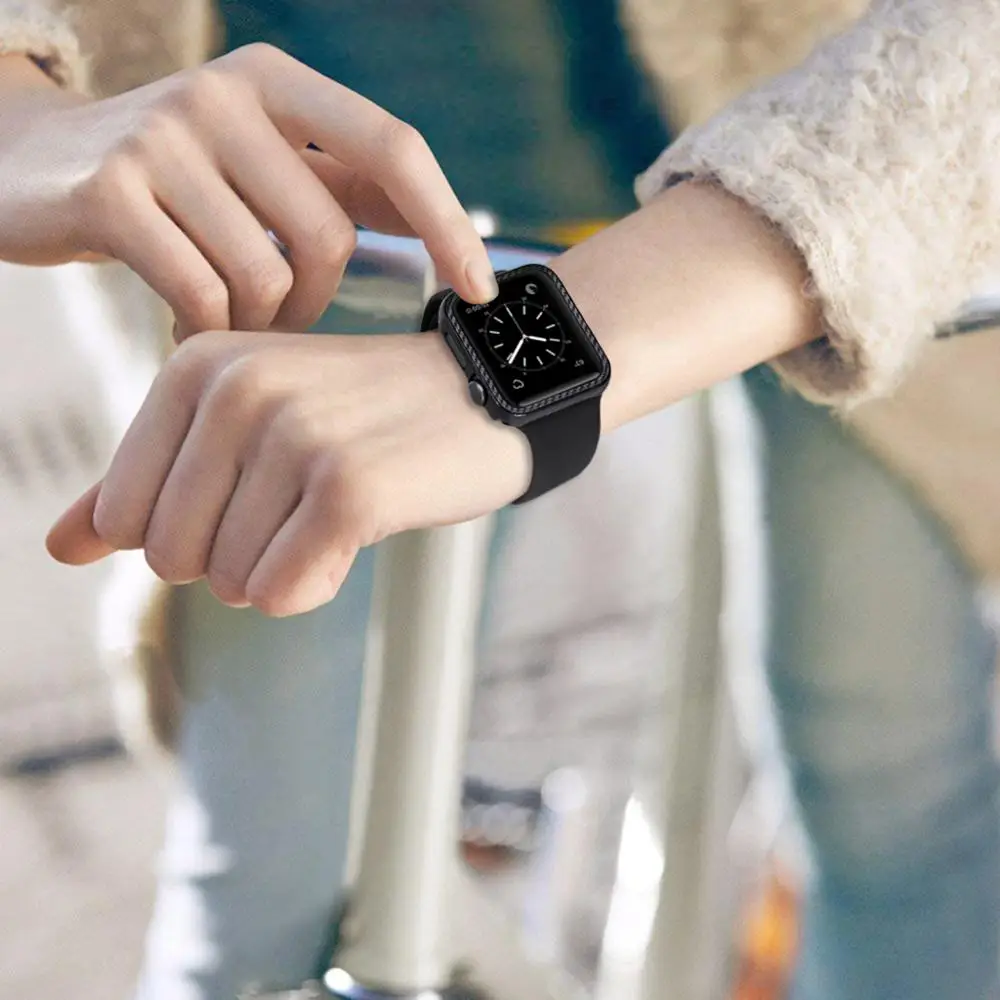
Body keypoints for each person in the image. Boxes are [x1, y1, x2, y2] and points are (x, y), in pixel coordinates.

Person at [2, 1, 998, 998]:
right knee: (273, 873)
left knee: (884, 766)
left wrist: (514, 366)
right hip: (317, 175)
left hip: (880, 139)